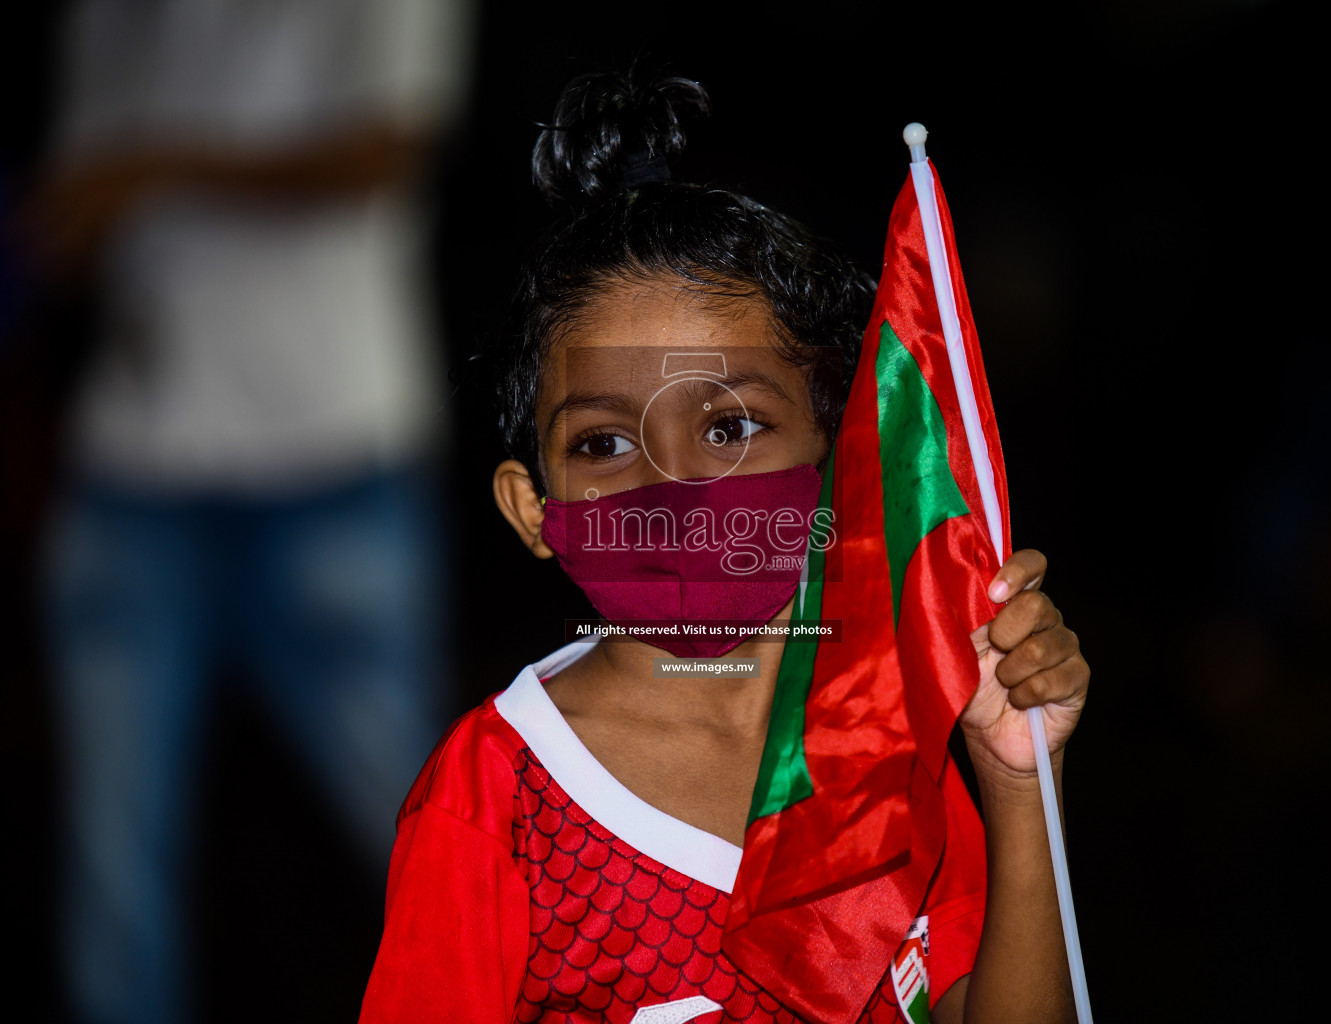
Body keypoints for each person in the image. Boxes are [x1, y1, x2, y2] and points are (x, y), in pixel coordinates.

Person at [360, 72, 1089, 1023]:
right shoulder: (497, 799)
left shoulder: (891, 745)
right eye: (604, 445)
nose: (675, 494)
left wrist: (1020, 781)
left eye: (732, 427)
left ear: (834, 465)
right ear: (533, 507)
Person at [33, 3, 474, 1022]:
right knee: (114, 865)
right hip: (133, 457)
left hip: (331, 449)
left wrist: (148, 171)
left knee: (445, 840)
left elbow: (390, 142)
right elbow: (79, 206)